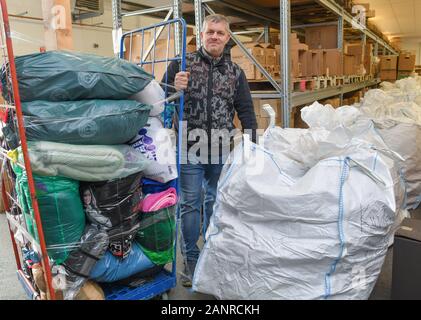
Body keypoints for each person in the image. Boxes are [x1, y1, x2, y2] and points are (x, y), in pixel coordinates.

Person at [162, 14, 257, 287]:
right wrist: (172, 86)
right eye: (210, 32)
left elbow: (246, 110)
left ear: (228, 38)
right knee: (190, 204)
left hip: (220, 149)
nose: (214, 36)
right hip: (189, 147)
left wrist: (252, 145)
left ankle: (211, 255)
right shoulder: (182, 64)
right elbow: (158, 96)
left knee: (215, 201)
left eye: (220, 33)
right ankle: (191, 261)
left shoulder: (235, 73)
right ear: (201, 35)